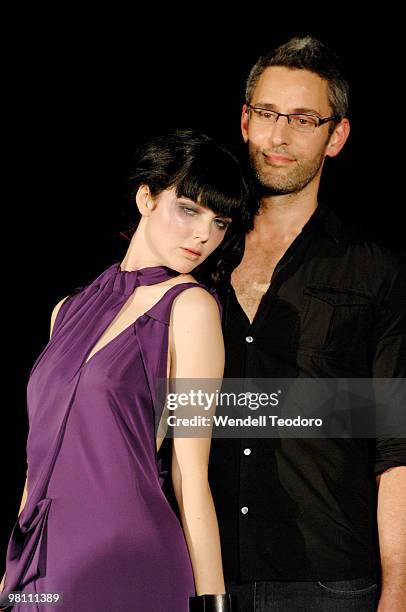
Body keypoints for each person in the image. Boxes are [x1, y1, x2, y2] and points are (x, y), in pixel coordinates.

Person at [0, 129, 256, 611]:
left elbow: (190, 475)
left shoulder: (191, 308)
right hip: (43, 565)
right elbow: (38, 463)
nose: (204, 234)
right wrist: (11, 575)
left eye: (220, 221)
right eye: (189, 209)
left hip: (131, 562)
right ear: (147, 197)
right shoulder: (66, 310)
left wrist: (214, 603)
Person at [209, 36, 406, 612]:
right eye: (268, 114)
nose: (279, 136)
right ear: (245, 120)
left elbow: (396, 450)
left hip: (326, 581)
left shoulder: (376, 271)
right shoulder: (195, 255)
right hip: (195, 570)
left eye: (303, 119)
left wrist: (397, 593)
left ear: (335, 135)